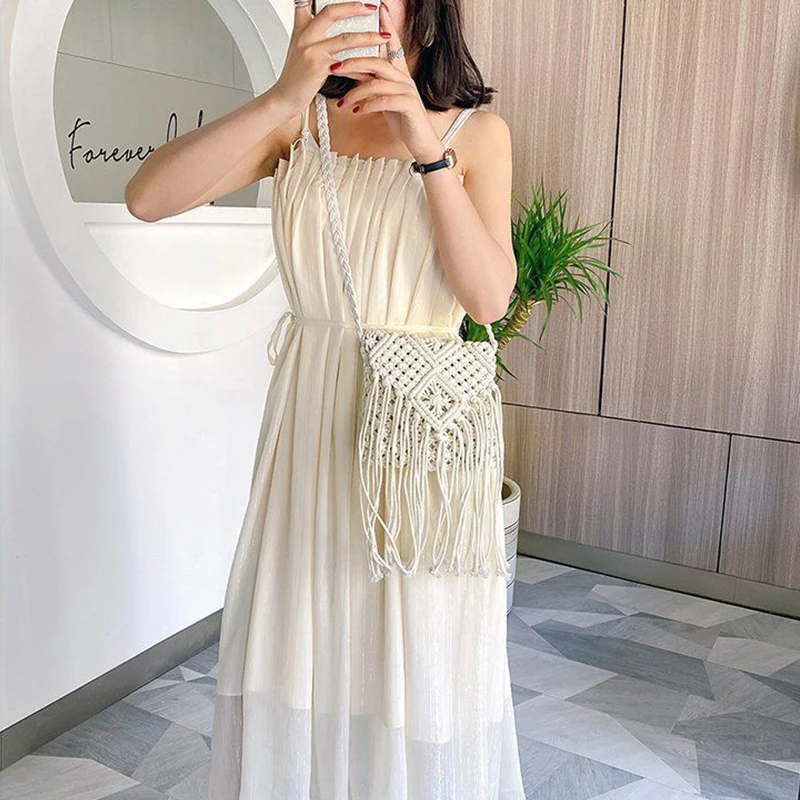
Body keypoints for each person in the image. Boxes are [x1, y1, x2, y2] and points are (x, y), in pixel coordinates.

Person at [126, 1, 523, 797]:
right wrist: (282, 95)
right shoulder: (297, 124)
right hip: (308, 432)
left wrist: (425, 148)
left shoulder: (476, 134)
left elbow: (487, 300)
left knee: (408, 654)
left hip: (413, 438)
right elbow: (148, 197)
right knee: (302, 646)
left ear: (423, 11)